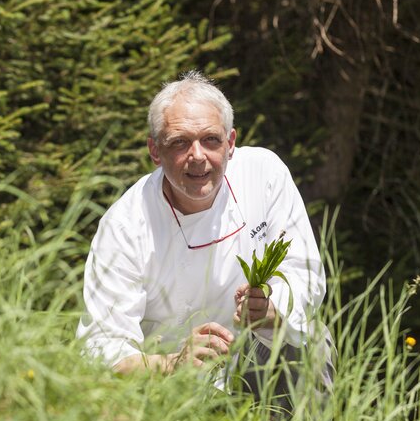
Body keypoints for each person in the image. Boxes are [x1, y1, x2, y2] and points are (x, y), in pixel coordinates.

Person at [76, 71, 332, 400]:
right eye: (180, 143)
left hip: (257, 352)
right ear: (155, 151)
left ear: (231, 143)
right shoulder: (125, 225)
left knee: (315, 338)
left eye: (211, 140)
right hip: (172, 380)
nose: (197, 156)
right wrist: (173, 364)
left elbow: (304, 271)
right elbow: (102, 350)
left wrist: (272, 311)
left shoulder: (264, 174)